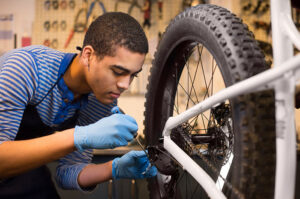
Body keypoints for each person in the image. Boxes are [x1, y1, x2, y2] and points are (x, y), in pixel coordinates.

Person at [0, 12, 157, 198]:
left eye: (133, 75)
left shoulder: (101, 100)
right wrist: (79, 137)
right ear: (88, 55)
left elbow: (67, 173)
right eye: (117, 71)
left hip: (26, 170)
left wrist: (113, 169)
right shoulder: (25, 69)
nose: (125, 85)